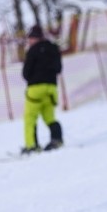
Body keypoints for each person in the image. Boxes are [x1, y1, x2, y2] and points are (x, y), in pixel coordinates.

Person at [21, 25, 63, 154]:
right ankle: (57, 139)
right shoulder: (54, 48)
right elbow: (58, 69)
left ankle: (31, 146)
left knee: (30, 118)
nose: (29, 41)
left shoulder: (33, 50)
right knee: (49, 116)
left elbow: (26, 72)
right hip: (51, 88)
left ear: (35, 38)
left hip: (35, 88)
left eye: (30, 38)